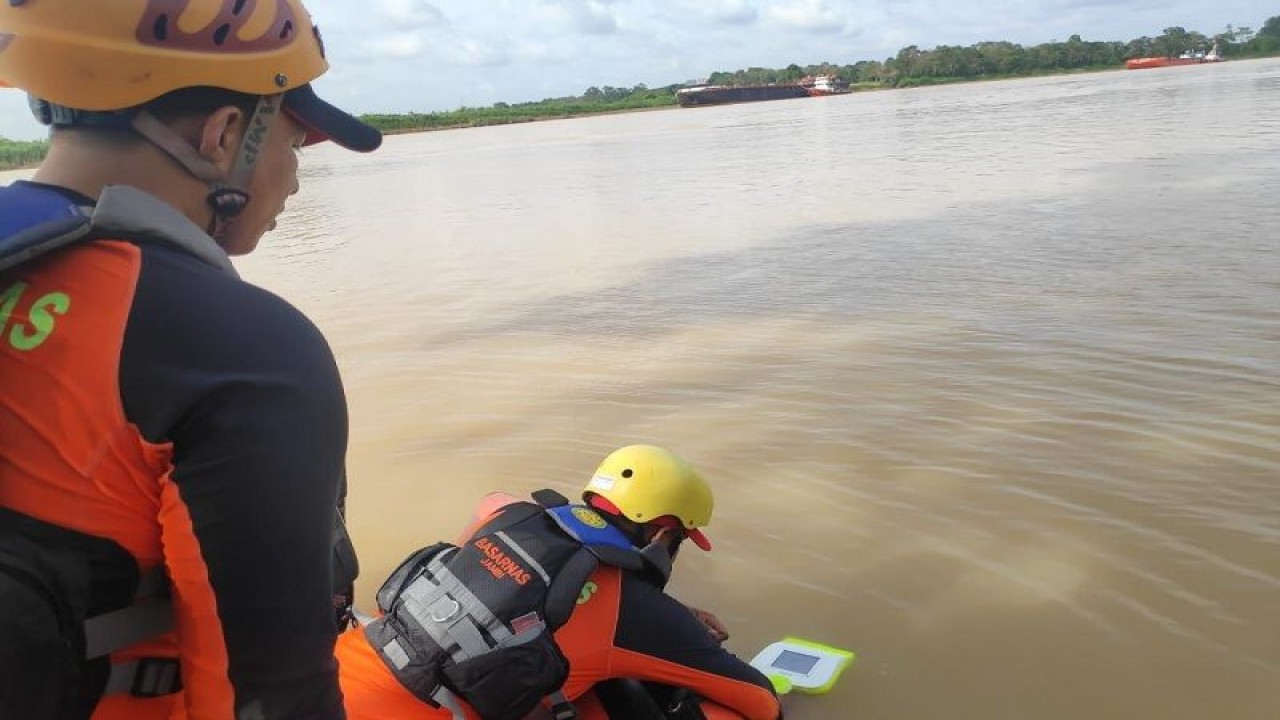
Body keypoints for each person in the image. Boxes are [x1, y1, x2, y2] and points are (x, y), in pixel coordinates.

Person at [0, 2, 379, 718]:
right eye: (294, 142)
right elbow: (270, 701)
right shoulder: (243, 350)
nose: (295, 181)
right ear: (223, 135)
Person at [335, 445, 782, 720]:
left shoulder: (506, 514)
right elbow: (760, 701)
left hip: (331, 673)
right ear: (665, 535)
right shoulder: (639, 611)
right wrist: (671, 624)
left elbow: (521, 577)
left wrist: (677, 612)